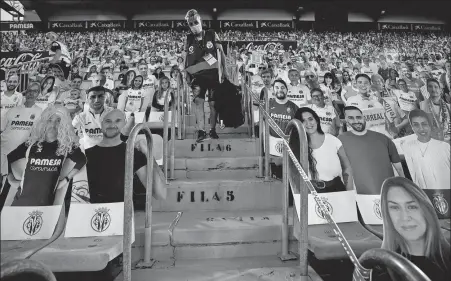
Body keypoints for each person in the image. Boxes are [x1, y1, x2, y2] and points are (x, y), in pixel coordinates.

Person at [372, 177, 450, 281]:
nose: (404, 217)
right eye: (395, 208)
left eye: (412, 207)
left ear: (427, 211)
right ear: (387, 215)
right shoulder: (381, 270)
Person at [6, 106, 86, 206]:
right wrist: (10, 179)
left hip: (46, 202)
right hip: (21, 199)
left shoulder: (66, 145)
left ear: (64, 124)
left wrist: (65, 180)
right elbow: (8, 157)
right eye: (50, 120)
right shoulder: (31, 143)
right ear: (44, 122)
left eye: (58, 121)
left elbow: (82, 160)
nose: (53, 124)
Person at [85, 109, 166, 203]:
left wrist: (149, 154)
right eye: (108, 121)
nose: (112, 125)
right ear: (100, 123)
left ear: (125, 123)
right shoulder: (86, 154)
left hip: (121, 214)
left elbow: (160, 194)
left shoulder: (132, 153)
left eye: (118, 121)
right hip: (88, 212)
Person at [183, 9, 228, 142]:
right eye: (190, 24)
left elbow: (221, 53)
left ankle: (212, 130)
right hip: (196, 76)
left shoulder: (211, 34)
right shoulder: (189, 38)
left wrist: (224, 71)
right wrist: (186, 73)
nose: (193, 25)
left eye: (195, 22)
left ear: (200, 21)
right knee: (199, 103)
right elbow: (186, 57)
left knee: (213, 104)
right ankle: (201, 131)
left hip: (213, 74)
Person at [339, 106, 405, 194]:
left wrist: (405, 188)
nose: (356, 121)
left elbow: (399, 168)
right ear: (346, 120)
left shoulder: (383, 139)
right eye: (351, 118)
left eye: (358, 117)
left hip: (387, 192)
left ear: (364, 118)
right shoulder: (340, 140)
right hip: (361, 195)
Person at [294, 107, 353, 192]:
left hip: (336, 190)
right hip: (309, 192)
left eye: (310, 119)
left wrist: (349, 192)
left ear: (316, 120)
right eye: (303, 121)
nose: (308, 123)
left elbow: (347, 168)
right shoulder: (296, 145)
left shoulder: (333, 140)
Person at [1, 83, 43, 182]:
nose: (31, 93)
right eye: (29, 90)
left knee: (13, 183)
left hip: (18, 156)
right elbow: (2, 129)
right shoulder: (12, 110)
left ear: (38, 94)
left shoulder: (40, 112)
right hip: (3, 151)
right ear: (25, 92)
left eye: (35, 91)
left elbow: (38, 136)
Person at [398, 109, 450, 190]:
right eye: (416, 125)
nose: (421, 128)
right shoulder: (407, 147)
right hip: (424, 194)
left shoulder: (444, 147)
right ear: (412, 127)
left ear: (430, 125)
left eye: (424, 124)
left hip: (446, 193)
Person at [419, 78, 450, 143]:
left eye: (436, 87)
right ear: (427, 89)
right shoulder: (423, 105)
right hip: (434, 140)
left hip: (448, 139)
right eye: (430, 86)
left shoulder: (448, 106)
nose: (433, 89)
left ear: (440, 90)